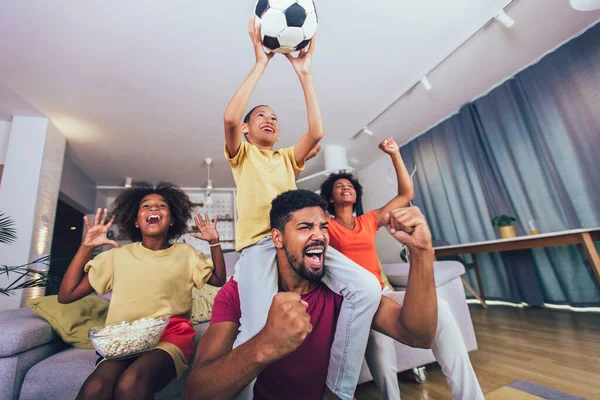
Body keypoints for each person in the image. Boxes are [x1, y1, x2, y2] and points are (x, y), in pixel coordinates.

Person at [222, 17, 381, 399]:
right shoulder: (242, 155)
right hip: (261, 246)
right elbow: (230, 117)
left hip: (300, 241)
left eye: (275, 117)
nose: (271, 120)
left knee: (366, 288)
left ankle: (337, 391)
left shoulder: (285, 160)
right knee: (258, 328)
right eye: (261, 116)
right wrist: (261, 61)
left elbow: (317, 133)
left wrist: (304, 73)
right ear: (246, 130)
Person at [182, 189, 438, 400]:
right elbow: (195, 394)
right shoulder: (238, 293)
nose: (320, 235)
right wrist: (265, 344)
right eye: (305, 227)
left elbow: (418, 335)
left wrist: (422, 252)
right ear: (278, 239)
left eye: (323, 227)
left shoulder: (344, 291)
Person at [320, 138, 484, 400]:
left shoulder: (369, 220)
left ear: (356, 195)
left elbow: (406, 195)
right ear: (330, 197)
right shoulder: (326, 225)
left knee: (439, 307)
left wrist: (394, 154)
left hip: (382, 292)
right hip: (356, 299)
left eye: (349, 185)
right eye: (339, 186)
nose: (345, 188)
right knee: (382, 360)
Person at [58, 182, 227, 400]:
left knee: (130, 383)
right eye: (146, 206)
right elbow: (66, 294)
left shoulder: (187, 254)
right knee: (95, 388)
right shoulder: (116, 256)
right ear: (136, 221)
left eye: (162, 206)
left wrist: (214, 243)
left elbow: (218, 279)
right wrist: (86, 246)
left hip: (170, 335)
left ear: (172, 219)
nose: (154, 209)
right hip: (123, 339)